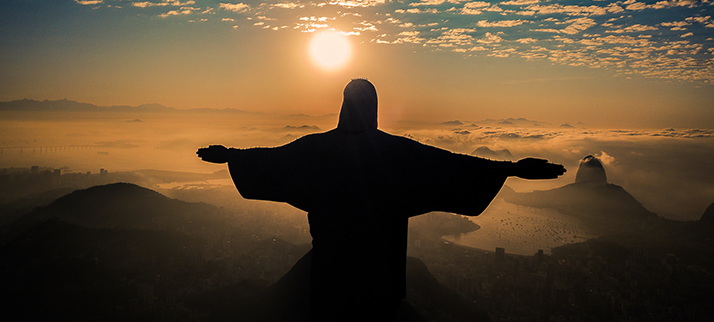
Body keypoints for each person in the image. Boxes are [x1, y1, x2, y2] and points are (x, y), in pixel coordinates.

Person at [198, 79, 565, 321]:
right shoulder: (398, 156)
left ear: (342, 106)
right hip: (378, 292)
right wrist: (512, 169)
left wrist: (231, 156)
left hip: (328, 286)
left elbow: (270, 161)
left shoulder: (313, 151)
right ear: (374, 107)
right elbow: (451, 167)